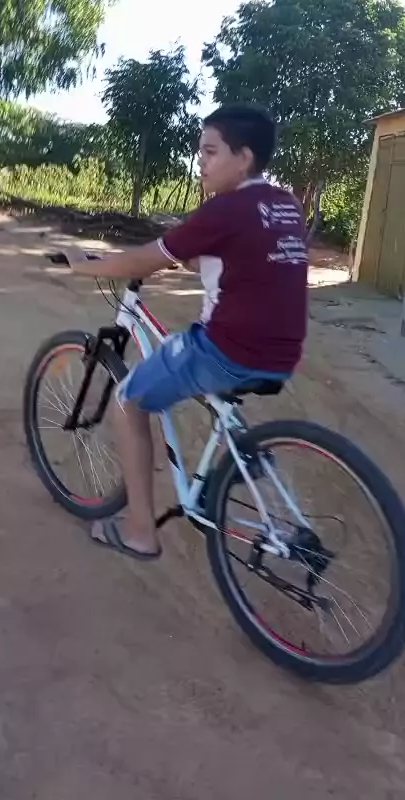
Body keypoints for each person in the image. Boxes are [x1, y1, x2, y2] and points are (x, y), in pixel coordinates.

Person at [66, 103, 308, 560]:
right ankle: (243, 458)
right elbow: (245, 255)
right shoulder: (285, 205)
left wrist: (85, 266)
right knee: (208, 381)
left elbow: (144, 260)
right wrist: (191, 255)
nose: (201, 161)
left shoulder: (226, 208)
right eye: (201, 152)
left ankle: (140, 533)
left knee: (128, 401)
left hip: (227, 349)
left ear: (244, 158)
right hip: (282, 352)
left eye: (211, 152)